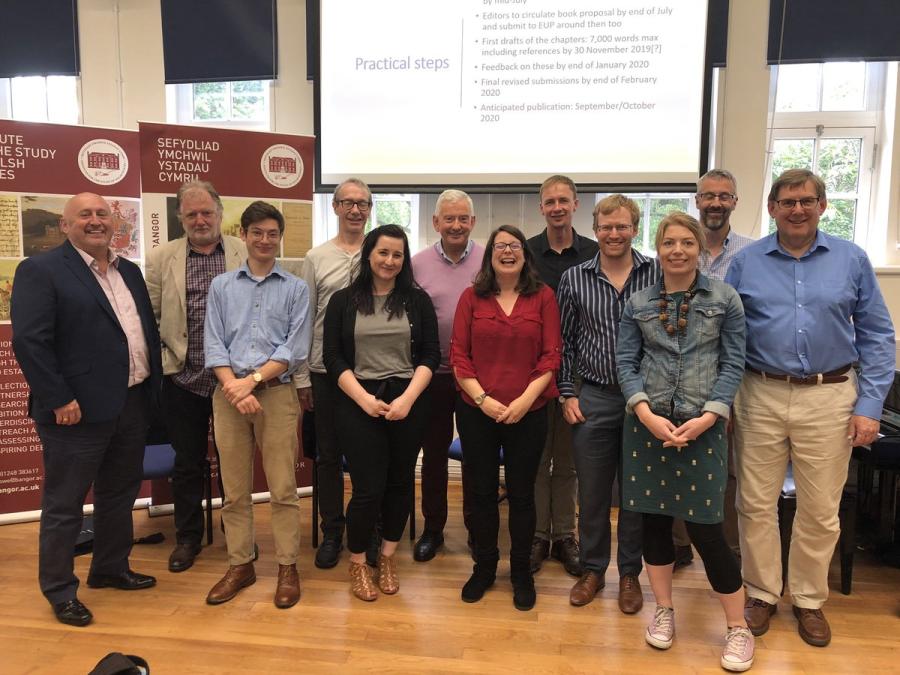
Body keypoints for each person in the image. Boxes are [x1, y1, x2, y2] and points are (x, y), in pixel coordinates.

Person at [726, 169, 895, 648]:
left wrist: (870, 405)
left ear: (823, 205)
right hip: (759, 391)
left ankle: (808, 600)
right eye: (787, 201)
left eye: (806, 200)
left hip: (830, 396)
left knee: (820, 508)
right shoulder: (748, 262)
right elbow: (730, 335)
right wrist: (727, 398)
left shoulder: (851, 259)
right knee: (755, 503)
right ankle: (760, 593)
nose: (796, 209)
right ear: (772, 208)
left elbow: (879, 336)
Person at [11, 192, 162, 627]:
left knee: (119, 494)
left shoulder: (128, 270)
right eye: (85, 215)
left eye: (101, 214)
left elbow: (137, 333)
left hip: (130, 401)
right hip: (73, 412)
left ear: (112, 223)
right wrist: (58, 398)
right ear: (65, 225)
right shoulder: (41, 270)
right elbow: (30, 341)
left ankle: (110, 568)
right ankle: (60, 590)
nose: (95, 221)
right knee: (65, 504)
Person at [617, 212, 753, 672]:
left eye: (687, 243)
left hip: (704, 428)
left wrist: (711, 415)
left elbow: (734, 363)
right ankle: (664, 610)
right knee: (653, 525)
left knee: (707, 530)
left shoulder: (726, 299)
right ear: (659, 248)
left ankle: (737, 628)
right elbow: (625, 363)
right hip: (647, 427)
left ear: (698, 249)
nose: (678, 250)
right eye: (669, 243)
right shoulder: (638, 302)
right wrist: (644, 412)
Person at [323, 224, 439, 601]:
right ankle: (358, 561)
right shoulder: (343, 300)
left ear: (404, 261)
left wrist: (407, 400)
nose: (390, 261)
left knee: (400, 483)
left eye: (397, 255)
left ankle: (387, 556)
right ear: (369, 254)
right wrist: (363, 399)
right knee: (367, 489)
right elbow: (333, 357)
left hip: (409, 399)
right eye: (383, 253)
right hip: (359, 401)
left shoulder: (417, 301)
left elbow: (430, 356)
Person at [203, 202, 311, 609]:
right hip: (228, 397)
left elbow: (294, 347)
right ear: (243, 235)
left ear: (279, 237)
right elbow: (213, 343)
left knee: (283, 488)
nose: (265, 240)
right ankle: (240, 564)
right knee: (234, 491)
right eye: (257, 232)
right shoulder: (222, 286)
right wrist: (234, 388)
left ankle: (287, 567)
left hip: (276, 395)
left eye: (272, 233)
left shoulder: (296, 287)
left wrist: (251, 382)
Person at [451, 225, 561, 611]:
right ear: (490, 255)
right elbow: (459, 358)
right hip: (477, 411)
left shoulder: (543, 297)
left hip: (528, 412)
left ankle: (519, 572)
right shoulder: (472, 298)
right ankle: (484, 567)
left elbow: (551, 356)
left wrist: (525, 399)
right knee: (480, 494)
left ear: (524, 254)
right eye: (500, 246)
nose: (508, 252)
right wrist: (483, 400)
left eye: (515, 245)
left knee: (522, 495)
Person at [558, 195, 659, 614]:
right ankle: (595, 570)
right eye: (606, 226)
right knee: (594, 491)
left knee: (636, 494)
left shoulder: (657, 273)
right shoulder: (574, 278)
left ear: (635, 228)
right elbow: (563, 341)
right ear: (594, 228)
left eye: (622, 226)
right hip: (594, 397)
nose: (614, 234)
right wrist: (567, 392)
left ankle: (630, 575)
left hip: (645, 402)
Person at [145, 180, 246, 573]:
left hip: (233, 380)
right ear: (180, 219)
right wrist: (166, 358)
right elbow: (150, 317)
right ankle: (187, 538)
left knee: (232, 460)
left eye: (207, 212)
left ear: (220, 214)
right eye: (192, 214)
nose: (200, 220)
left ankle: (236, 531)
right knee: (186, 461)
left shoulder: (243, 250)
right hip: (183, 377)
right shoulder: (161, 258)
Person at [672, 169, 753, 568]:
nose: (716, 203)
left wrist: (729, 399)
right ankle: (681, 544)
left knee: (729, 471)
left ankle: (728, 551)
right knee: (679, 462)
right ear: (697, 201)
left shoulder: (752, 254)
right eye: (708, 196)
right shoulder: (677, 252)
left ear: (735, 201)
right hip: (679, 383)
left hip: (734, 381)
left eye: (724, 196)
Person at [526, 175, 598, 576]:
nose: (556, 207)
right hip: (533, 374)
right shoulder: (526, 252)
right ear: (541, 208)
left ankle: (565, 535)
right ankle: (539, 534)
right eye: (549, 201)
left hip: (578, 374)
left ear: (575, 205)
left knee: (568, 462)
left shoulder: (592, 251)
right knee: (538, 459)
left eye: (563, 201)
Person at [297, 178, 368, 569]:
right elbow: (306, 318)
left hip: (370, 374)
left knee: (367, 456)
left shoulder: (382, 253)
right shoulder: (316, 257)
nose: (355, 210)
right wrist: (303, 376)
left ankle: (365, 530)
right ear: (336, 208)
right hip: (325, 373)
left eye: (362, 204)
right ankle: (332, 532)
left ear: (370, 210)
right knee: (326, 457)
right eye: (347, 203)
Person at [410, 189, 484, 561]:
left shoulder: (491, 260)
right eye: (448, 219)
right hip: (432, 375)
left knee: (475, 456)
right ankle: (433, 529)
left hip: (477, 377)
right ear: (436, 223)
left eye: (463, 219)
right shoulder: (416, 263)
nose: (456, 226)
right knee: (434, 455)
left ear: (473, 222)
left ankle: (476, 530)